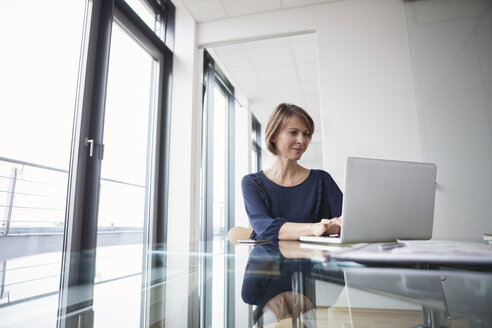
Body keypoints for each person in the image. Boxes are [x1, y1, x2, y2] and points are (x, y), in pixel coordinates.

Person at [241, 103, 342, 241]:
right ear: (274, 136)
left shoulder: (322, 179)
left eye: (306, 134)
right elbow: (263, 227)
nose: (302, 140)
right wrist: (314, 228)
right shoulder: (251, 183)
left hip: (314, 260)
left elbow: (347, 220)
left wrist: (337, 224)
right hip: (267, 261)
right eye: (293, 132)